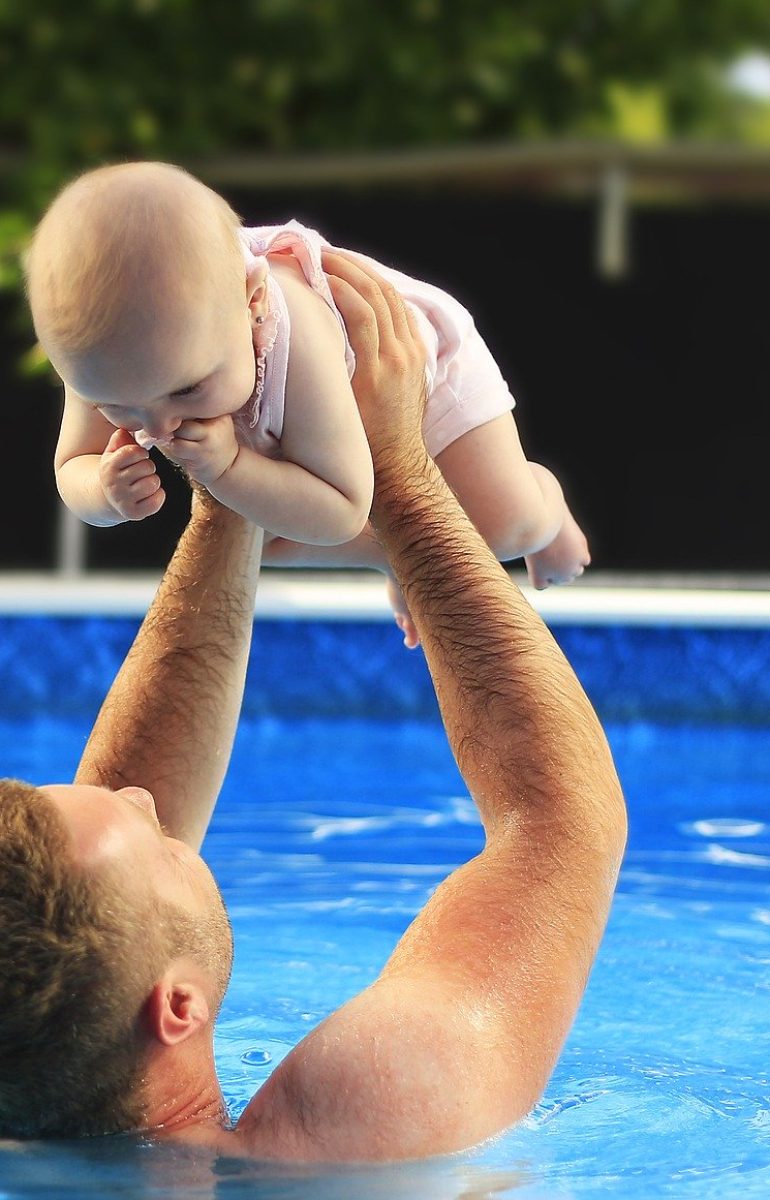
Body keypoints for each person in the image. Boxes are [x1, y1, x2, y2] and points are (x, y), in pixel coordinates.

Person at [0, 252, 626, 1159]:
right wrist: (407, 476)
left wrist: (235, 484)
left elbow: (91, 938)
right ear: (175, 1009)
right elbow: (562, 825)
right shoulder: (355, 1125)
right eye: (154, 842)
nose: (142, 798)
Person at [25, 160, 590, 647]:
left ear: (251, 303)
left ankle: (547, 505)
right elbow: (71, 468)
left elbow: (343, 506)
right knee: (254, 540)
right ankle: (398, 555)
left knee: (500, 526)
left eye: (187, 390)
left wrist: (229, 468)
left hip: (417, 370)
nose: (160, 424)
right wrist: (102, 492)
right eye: (115, 406)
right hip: (318, 445)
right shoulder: (108, 353)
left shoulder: (297, 337)